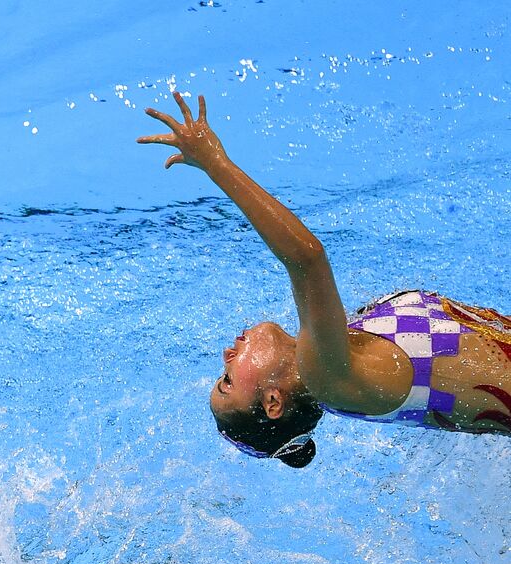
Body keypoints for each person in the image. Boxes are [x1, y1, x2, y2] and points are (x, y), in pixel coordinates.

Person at [139, 92, 511, 467]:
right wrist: (215, 163)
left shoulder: (343, 348)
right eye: (228, 380)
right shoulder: (326, 376)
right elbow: (306, 259)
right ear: (273, 401)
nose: (227, 355)